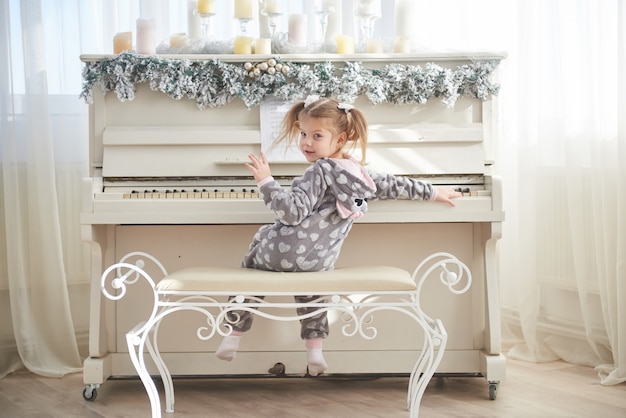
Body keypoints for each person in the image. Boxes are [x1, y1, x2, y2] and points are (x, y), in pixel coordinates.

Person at [215, 95, 461, 376]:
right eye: (303, 134)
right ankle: (315, 351)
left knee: (252, 268)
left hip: (281, 251)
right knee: (314, 289)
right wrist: (434, 192)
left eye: (316, 136)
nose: (306, 142)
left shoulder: (318, 170)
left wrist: (266, 182)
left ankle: (234, 333)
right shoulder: (362, 177)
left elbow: (291, 214)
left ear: (340, 139)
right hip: (318, 260)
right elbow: (395, 185)